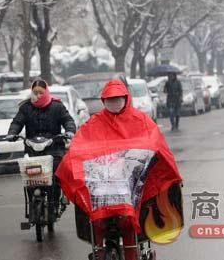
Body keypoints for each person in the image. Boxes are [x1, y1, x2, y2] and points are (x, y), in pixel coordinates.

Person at [56, 79, 182, 260]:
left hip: (131, 184)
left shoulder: (140, 120)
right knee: (97, 222)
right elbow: (80, 145)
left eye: (117, 99)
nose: (114, 103)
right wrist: (72, 160)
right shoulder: (94, 122)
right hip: (103, 184)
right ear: (103, 101)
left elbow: (154, 142)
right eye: (110, 99)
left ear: (125, 98)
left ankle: (132, 254)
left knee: (128, 223)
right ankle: (99, 252)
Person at [6, 79, 76, 215]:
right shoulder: (26, 107)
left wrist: (69, 131)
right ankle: (32, 203)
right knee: (29, 175)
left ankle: (57, 199)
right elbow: (17, 122)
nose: (37, 95)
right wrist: (12, 133)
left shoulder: (57, 106)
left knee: (57, 171)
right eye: (35, 92)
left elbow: (67, 120)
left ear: (46, 92)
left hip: (54, 147)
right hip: (32, 148)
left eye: (40, 92)